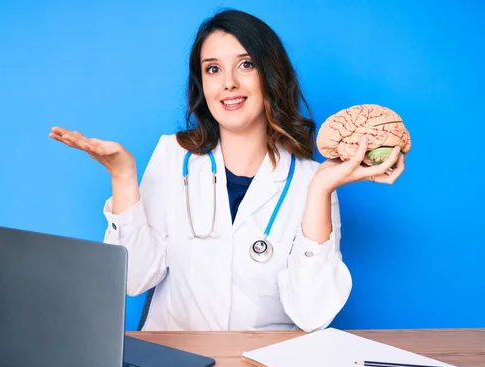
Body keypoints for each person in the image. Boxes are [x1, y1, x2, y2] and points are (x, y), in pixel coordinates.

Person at [49, 9, 405, 332]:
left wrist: (320, 190)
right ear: (202, 85)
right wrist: (123, 177)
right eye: (213, 68)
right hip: (176, 361)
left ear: (271, 75)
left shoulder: (313, 180)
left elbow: (312, 314)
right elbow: (134, 279)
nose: (229, 83)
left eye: (246, 64)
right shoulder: (173, 156)